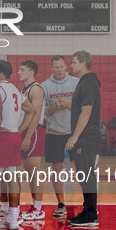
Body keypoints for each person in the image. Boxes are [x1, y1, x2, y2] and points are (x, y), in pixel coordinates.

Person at [0, 60, 35, 230]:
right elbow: (32, 110)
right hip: (14, 135)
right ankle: (13, 218)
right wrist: (20, 129)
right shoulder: (14, 89)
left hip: (4, 136)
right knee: (12, 177)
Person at [66, 51, 101, 227]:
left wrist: (75, 136)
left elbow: (86, 111)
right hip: (84, 137)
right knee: (83, 174)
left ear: (84, 64)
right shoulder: (84, 82)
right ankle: (88, 211)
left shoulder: (88, 83)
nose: (71, 65)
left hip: (86, 137)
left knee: (86, 175)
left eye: (74, 62)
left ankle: (90, 214)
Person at [41, 55, 79, 217]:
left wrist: (69, 105)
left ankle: (88, 203)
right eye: (56, 67)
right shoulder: (45, 86)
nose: (59, 70)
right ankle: (61, 203)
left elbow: (83, 107)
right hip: (54, 132)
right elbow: (43, 111)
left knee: (81, 168)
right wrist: (54, 107)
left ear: (66, 67)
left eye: (61, 67)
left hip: (74, 132)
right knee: (56, 169)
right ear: (51, 68)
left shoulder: (76, 82)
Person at [18, 60, 46, 221]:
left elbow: (35, 114)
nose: (19, 72)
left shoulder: (35, 89)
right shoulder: (25, 89)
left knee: (35, 172)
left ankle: (39, 208)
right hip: (26, 131)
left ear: (31, 72)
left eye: (22, 69)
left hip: (34, 132)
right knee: (29, 172)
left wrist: (28, 136)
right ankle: (35, 205)